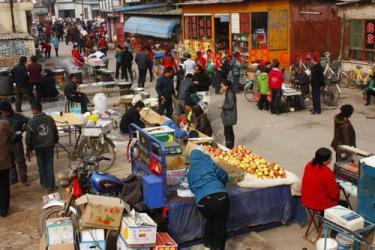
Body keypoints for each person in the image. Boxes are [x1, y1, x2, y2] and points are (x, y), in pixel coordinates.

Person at [188, 149, 229, 250]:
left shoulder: (190, 172)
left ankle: (207, 245)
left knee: (210, 220)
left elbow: (193, 188)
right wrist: (219, 185)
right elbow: (224, 176)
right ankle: (218, 248)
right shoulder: (209, 163)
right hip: (220, 198)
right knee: (220, 225)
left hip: (203, 203)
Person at [26, 103, 58, 192]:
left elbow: (28, 137)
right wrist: (54, 141)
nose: (32, 112)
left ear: (35, 110)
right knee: (49, 165)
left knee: (41, 165)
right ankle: (50, 185)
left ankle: (44, 183)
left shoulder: (32, 121)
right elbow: (55, 132)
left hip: (38, 147)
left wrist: (29, 147)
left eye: (32, 110)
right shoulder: (49, 118)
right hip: (49, 146)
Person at [0, 102, 28, 186]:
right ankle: (13, 178)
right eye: (5, 112)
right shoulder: (1, 118)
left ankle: (23, 179)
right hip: (6, 144)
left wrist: (23, 129)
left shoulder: (18, 117)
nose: (6, 113)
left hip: (17, 144)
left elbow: (28, 122)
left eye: (8, 111)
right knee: (10, 163)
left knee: (21, 162)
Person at [0, 119, 12, 217]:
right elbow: (11, 135)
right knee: (4, 186)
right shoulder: (4, 124)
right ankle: (4, 210)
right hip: (3, 160)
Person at [220, 80, 237, 149]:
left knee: (227, 132)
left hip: (229, 116)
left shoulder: (230, 94)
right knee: (229, 131)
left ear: (226, 86)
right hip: (228, 115)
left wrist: (222, 106)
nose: (221, 87)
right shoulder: (229, 92)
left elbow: (231, 105)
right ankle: (231, 146)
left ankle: (229, 147)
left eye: (222, 86)